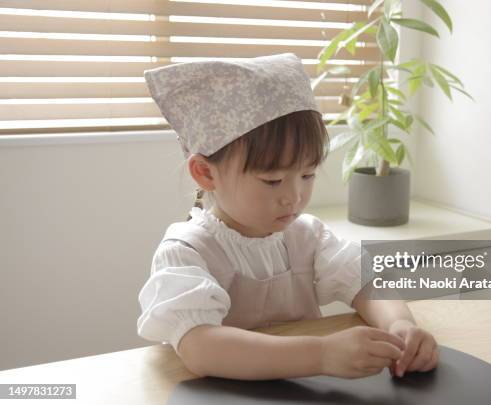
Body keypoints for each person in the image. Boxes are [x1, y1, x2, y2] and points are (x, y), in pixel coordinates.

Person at [137, 53, 438, 381]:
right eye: (272, 180)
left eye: (308, 175)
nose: (294, 196)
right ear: (206, 174)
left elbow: (367, 282)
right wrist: (321, 354)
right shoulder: (186, 252)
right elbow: (199, 347)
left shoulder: (307, 235)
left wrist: (400, 325)